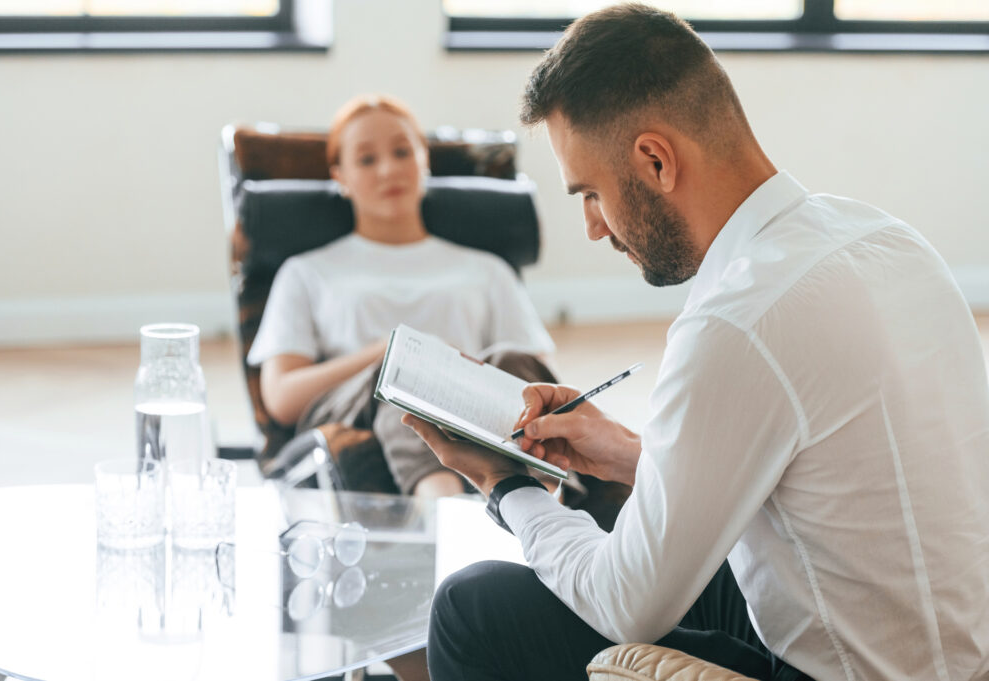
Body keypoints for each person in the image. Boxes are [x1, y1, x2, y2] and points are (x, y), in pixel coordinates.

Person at [403, 5, 989, 681]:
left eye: (591, 193)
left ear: (655, 159)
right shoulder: (887, 239)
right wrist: (626, 453)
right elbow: (828, 478)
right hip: (949, 649)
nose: (594, 227)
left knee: (471, 609)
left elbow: (627, 607)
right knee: (640, 536)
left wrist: (503, 482)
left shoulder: (737, 321)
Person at [247, 94, 556, 498]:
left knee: (514, 365)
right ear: (340, 176)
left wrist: (455, 373)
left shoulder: (487, 269)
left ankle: (556, 505)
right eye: (367, 159)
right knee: (404, 375)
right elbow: (282, 397)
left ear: (424, 159)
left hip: (469, 408)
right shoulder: (305, 272)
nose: (389, 169)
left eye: (401, 151)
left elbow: (535, 376)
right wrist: (393, 352)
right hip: (357, 410)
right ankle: (439, 514)